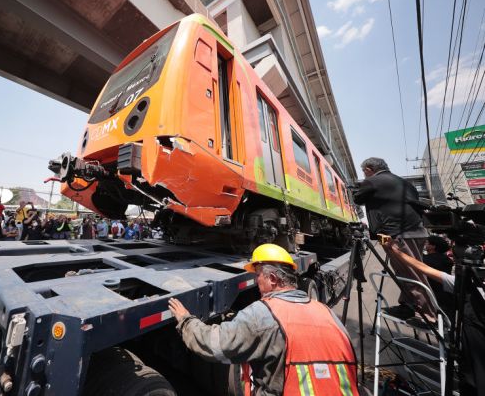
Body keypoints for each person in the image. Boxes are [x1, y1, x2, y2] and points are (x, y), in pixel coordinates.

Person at [168, 244, 359, 395]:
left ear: (273, 279)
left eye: (258, 275)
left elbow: (215, 345)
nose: (256, 281)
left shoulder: (263, 314)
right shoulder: (326, 312)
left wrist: (185, 320)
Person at [382, 239, 484, 395]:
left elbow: (422, 268)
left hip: (471, 362)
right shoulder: (449, 264)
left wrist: (395, 251)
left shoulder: (467, 284)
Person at [353, 157, 435, 321]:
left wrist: (358, 187)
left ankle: (427, 315)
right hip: (416, 231)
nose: (365, 175)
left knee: (410, 273)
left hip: (396, 234)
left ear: (369, 169)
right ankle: (408, 306)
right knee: (407, 270)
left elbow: (357, 199)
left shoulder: (373, 181)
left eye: (364, 172)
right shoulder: (405, 183)